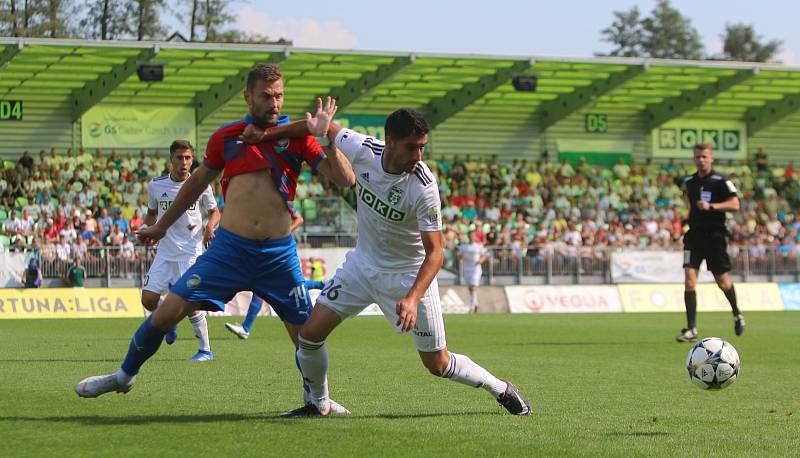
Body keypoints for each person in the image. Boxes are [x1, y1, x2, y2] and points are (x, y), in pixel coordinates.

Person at [75, 63, 355, 411]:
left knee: (306, 340)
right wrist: (162, 226)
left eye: (280, 96)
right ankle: (123, 376)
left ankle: (318, 402)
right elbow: (195, 183)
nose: (275, 103)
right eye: (267, 96)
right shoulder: (227, 137)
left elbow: (346, 180)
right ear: (248, 96)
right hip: (229, 251)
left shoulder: (298, 135)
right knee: (165, 313)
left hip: (278, 256)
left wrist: (328, 139)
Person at [281, 108, 531, 417]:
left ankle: (500, 388)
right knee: (309, 336)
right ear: (390, 141)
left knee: (437, 365)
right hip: (361, 267)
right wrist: (274, 133)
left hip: (407, 277)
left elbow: (436, 252)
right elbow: (325, 127)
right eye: (412, 146)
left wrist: (412, 298)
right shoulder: (363, 149)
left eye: (423, 146)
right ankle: (319, 404)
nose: (419, 154)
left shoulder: (423, 185)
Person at [141, 140, 220, 362]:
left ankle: (205, 350)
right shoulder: (156, 186)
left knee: (191, 304)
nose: (184, 162)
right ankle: (169, 323)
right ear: (171, 159)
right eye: (179, 157)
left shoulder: (202, 185)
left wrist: (210, 227)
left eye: (188, 158)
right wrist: (146, 228)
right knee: (148, 300)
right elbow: (151, 213)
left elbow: (215, 212)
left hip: (190, 253)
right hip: (165, 252)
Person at [676, 143, 745, 343]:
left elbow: (735, 204)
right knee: (689, 280)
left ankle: (737, 314)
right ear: (694, 158)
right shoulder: (689, 181)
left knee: (722, 282)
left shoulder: (721, 180)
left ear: (711, 158)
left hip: (715, 237)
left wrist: (712, 206)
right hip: (694, 237)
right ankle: (691, 329)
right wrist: (685, 222)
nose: (701, 160)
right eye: (697, 157)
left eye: (704, 156)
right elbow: (690, 206)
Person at [224, 212, 327, 340]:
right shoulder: (259, 204)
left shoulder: (279, 200)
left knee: (289, 285)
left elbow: (299, 219)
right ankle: (245, 328)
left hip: (280, 250)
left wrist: (282, 234)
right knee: (263, 289)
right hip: (268, 250)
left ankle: (321, 286)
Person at [457, 230, 489, 313]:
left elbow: (485, 255)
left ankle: (471, 307)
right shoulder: (464, 246)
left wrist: (480, 260)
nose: (471, 237)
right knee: (470, 288)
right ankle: (476, 304)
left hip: (476, 269)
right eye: (470, 235)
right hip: (467, 269)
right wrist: (462, 257)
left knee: (473, 287)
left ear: (475, 237)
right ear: (468, 237)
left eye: (473, 235)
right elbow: (459, 255)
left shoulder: (479, 246)